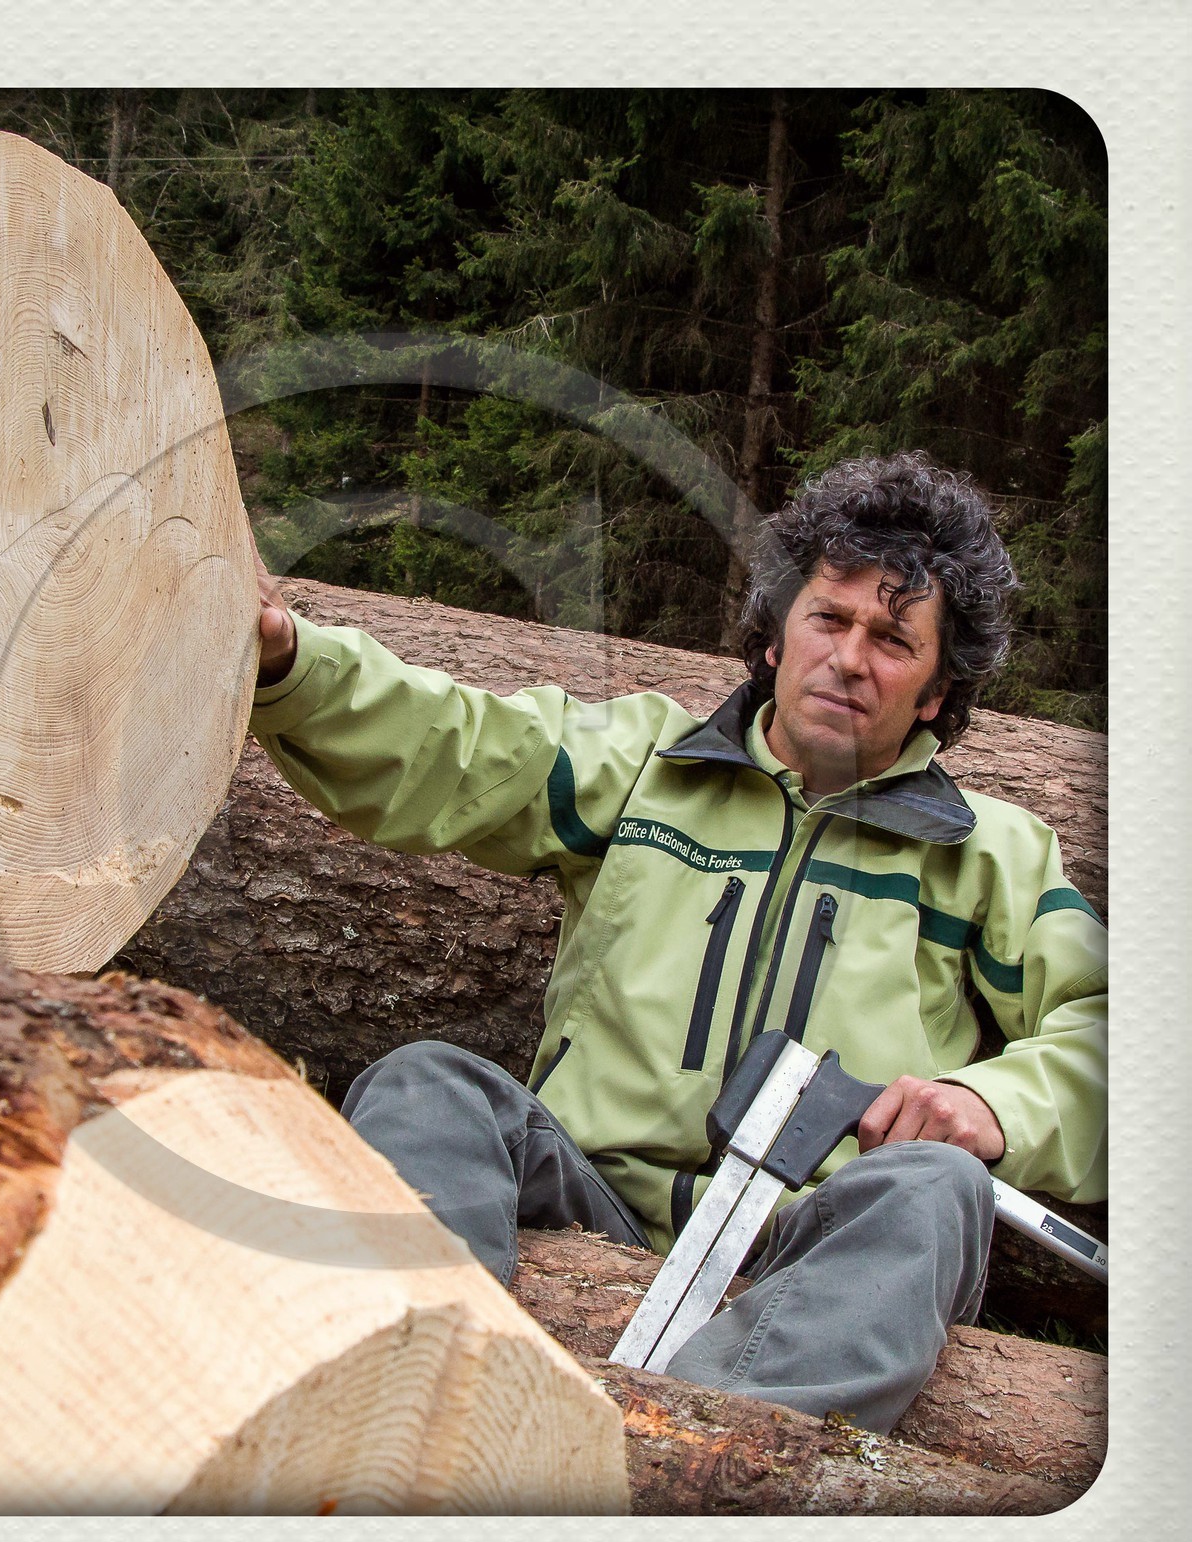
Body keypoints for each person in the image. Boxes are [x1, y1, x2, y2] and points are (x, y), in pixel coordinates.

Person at [247, 451, 1106, 1433]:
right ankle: (409, 1428)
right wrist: (290, 663)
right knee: (430, 1085)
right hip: (586, 1194)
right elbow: (452, 743)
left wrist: (987, 1101)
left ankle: (695, 1491)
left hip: (809, 1252)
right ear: (777, 637)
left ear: (933, 690)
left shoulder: (991, 854)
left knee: (933, 1185)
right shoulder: (639, 765)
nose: (850, 657)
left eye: (892, 639)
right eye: (827, 617)